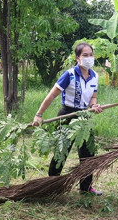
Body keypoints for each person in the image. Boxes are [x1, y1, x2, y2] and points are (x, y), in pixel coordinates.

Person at [33, 42, 103, 195]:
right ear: (77, 58)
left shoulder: (95, 76)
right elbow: (51, 95)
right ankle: (51, 185)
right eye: (85, 55)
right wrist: (39, 114)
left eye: (91, 55)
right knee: (61, 151)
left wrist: (94, 105)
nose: (89, 58)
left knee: (88, 154)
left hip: (84, 117)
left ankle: (86, 188)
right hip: (67, 115)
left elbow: (93, 96)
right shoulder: (69, 74)